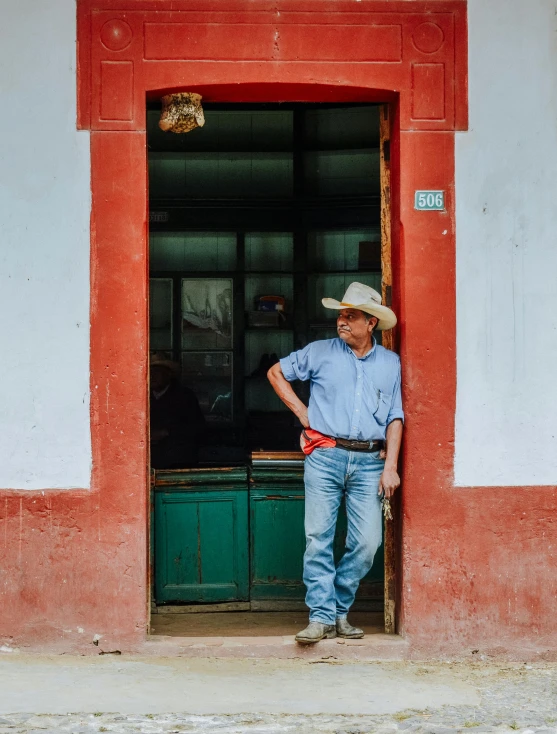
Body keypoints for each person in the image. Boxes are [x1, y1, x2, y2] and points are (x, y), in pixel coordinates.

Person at [267, 282, 404, 644]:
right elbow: (275, 372)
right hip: (326, 457)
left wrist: (391, 465)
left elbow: (395, 416)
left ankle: (339, 609)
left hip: (370, 463)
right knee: (318, 539)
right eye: (340, 315)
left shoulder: (390, 363)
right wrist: (302, 412)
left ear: (371, 322)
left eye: (350, 315)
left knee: (367, 543)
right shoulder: (320, 352)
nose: (342, 321)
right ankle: (322, 616)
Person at [150, 355, 205, 469]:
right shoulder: (142, 397)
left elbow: (197, 428)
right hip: (150, 463)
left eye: (157, 372)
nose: (152, 376)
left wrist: (166, 432)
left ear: (169, 374)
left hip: (178, 463)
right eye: (149, 372)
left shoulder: (185, 396)